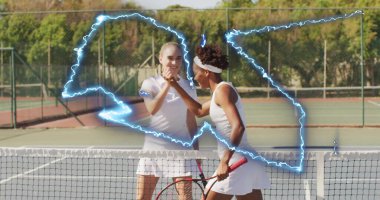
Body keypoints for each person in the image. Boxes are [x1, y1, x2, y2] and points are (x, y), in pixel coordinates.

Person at [164, 44, 270, 200]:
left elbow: (238, 127)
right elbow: (199, 110)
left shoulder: (222, 91)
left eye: (196, 73)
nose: (194, 77)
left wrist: (224, 161)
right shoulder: (219, 93)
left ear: (206, 72)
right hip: (246, 162)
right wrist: (175, 85)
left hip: (237, 161)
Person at [136, 42, 198, 200]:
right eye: (170, 58)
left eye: (178, 58)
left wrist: (197, 151)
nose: (174, 63)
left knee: (185, 197)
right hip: (153, 150)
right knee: (143, 197)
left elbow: (191, 121)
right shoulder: (148, 84)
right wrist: (168, 85)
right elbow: (152, 109)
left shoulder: (189, 87)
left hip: (181, 151)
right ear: (161, 59)